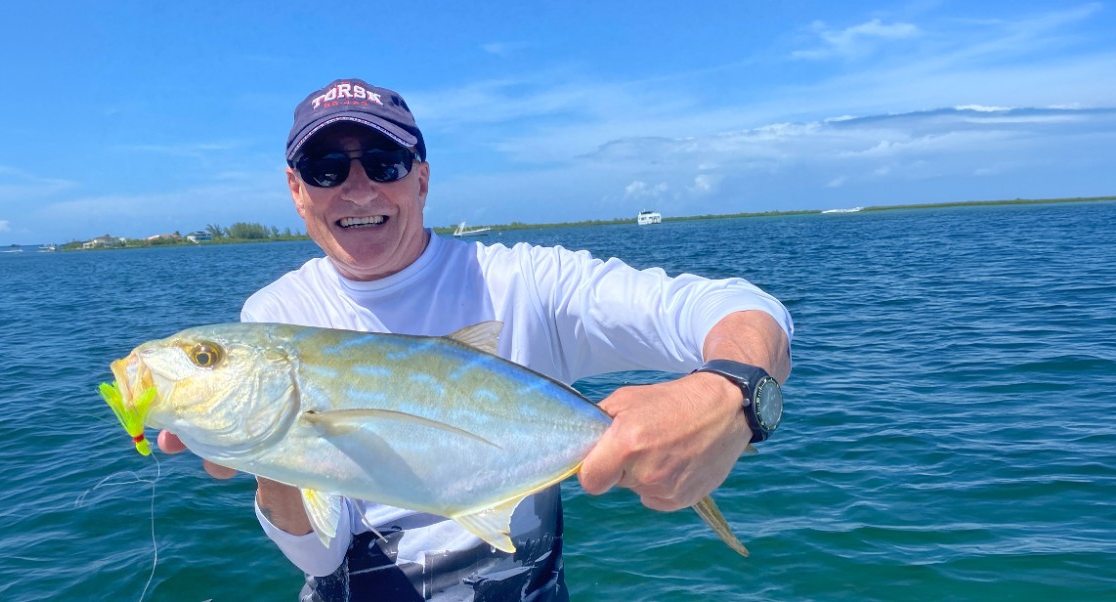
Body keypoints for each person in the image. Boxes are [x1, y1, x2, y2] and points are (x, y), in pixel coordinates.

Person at [159, 78, 793, 601]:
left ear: (422, 179)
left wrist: (730, 394)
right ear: (297, 191)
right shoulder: (278, 313)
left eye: (384, 163)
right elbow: (320, 556)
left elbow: (739, 306)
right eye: (326, 169)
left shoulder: (522, 281)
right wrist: (274, 461)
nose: (357, 188)